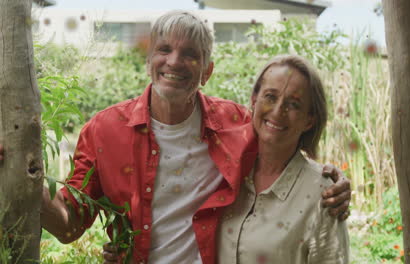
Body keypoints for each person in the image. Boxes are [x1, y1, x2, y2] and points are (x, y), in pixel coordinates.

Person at [0, 11, 350, 264]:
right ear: (150, 60)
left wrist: (330, 179)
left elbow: (282, 138)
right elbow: (69, 224)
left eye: (191, 54)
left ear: (207, 71)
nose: (175, 61)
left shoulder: (235, 123)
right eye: (165, 49)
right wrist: (19, 175)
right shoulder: (104, 131)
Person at [217, 55, 349, 263]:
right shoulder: (224, 171)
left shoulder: (323, 195)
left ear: (309, 120)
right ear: (254, 100)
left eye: (294, 104)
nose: (278, 111)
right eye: (270, 97)